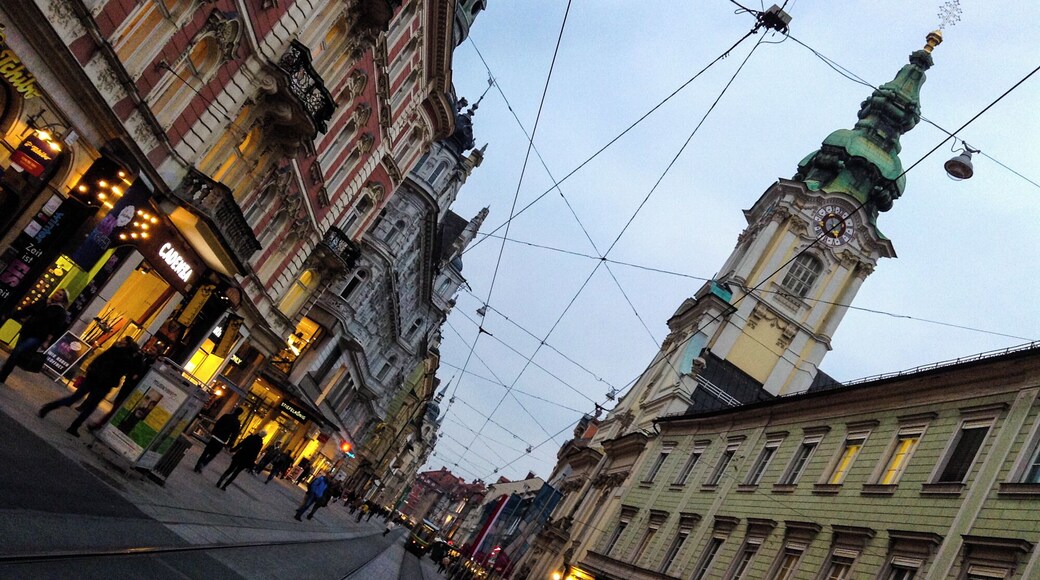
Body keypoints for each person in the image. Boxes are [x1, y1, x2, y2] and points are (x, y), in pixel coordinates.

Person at [38, 337, 138, 437]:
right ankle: (74, 426)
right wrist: (115, 383)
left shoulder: (115, 349)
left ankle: (49, 407)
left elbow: (100, 358)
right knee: (90, 407)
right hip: (104, 385)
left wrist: (91, 368)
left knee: (74, 398)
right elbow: (118, 374)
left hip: (93, 377)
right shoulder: (128, 360)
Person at [0, 290, 69, 383]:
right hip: (27, 331)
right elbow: (27, 310)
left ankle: (3, 373)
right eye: (57, 293)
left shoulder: (60, 312)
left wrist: (47, 341)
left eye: (60, 295)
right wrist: (11, 315)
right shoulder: (43, 302)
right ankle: (3, 375)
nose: (57, 295)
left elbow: (56, 328)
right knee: (16, 353)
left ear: (63, 299)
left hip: (38, 336)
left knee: (18, 350)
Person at [88, 343, 158, 431]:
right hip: (128, 383)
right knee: (116, 404)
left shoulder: (153, 364)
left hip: (136, 387)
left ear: (156, 353)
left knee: (118, 406)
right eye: (151, 348)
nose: (150, 350)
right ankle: (104, 425)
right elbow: (131, 366)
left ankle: (100, 424)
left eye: (153, 350)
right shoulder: (141, 356)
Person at [193, 408, 243, 473]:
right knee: (213, 454)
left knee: (205, 452)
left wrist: (213, 432)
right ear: (240, 414)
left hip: (215, 436)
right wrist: (230, 444)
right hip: (222, 440)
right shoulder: (237, 423)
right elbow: (234, 434)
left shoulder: (226, 416)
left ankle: (197, 466)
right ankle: (203, 463)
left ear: (235, 410)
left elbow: (217, 423)